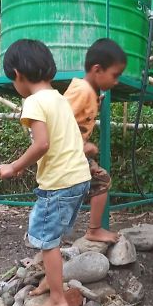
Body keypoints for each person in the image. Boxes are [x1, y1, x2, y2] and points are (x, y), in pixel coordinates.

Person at [0, 39, 91, 306]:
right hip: (78, 177)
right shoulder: (58, 98)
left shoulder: (34, 102)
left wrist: (14, 167)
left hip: (59, 183)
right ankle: (51, 283)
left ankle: (58, 298)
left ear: (17, 74)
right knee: (50, 237)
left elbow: (42, 144)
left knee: (46, 239)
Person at [65, 38, 126, 243]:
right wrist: (81, 146)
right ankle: (92, 230)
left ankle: (93, 230)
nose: (116, 82)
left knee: (100, 182)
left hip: (72, 153)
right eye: (115, 75)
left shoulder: (88, 91)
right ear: (97, 70)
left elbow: (79, 115)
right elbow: (60, 119)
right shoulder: (82, 90)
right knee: (100, 182)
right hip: (67, 152)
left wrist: (94, 105)